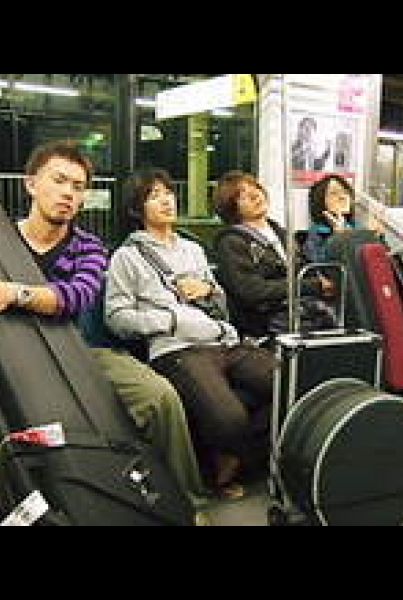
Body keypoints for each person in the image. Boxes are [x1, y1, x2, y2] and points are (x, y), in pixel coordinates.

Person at [0, 140, 208, 513]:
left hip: (75, 353)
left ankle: (187, 505)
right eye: (59, 180)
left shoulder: (89, 247)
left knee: (159, 399)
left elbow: (76, 296)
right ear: (32, 183)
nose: (68, 193)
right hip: (0, 366)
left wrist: (12, 293)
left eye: (78, 187)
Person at [105, 168, 278, 498]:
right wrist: (170, 320)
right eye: (154, 196)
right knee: (230, 418)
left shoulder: (193, 249)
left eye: (168, 193)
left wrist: (209, 291)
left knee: (289, 383)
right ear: (137, 209)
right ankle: (229, 458)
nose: (166, 200)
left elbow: (222, 302)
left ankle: (232, 456)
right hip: (176, 349)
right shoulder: (126, 257)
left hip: (222, 339)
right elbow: (116, 318)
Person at [213, 171, 337, 338]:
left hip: (302, 311)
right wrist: (313, 286)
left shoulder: (282, 233)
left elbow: (306, 267)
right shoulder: (231, 242)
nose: (255, 195)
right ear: (231, 206)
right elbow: (251, 291)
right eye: (242, 196)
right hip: (266, 322)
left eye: (255, 188)